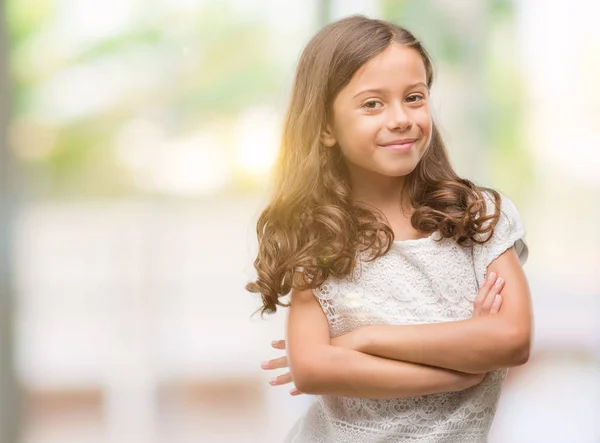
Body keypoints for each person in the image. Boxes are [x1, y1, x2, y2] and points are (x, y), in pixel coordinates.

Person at [245, 14, 532, 443]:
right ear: (325, 126)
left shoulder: (479, 217)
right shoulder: (318, 234)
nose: (401, 118)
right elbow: (313, 368)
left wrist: (364, 340)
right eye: (372, 104)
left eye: (414, 98)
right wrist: (458, 372)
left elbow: (510, 340)